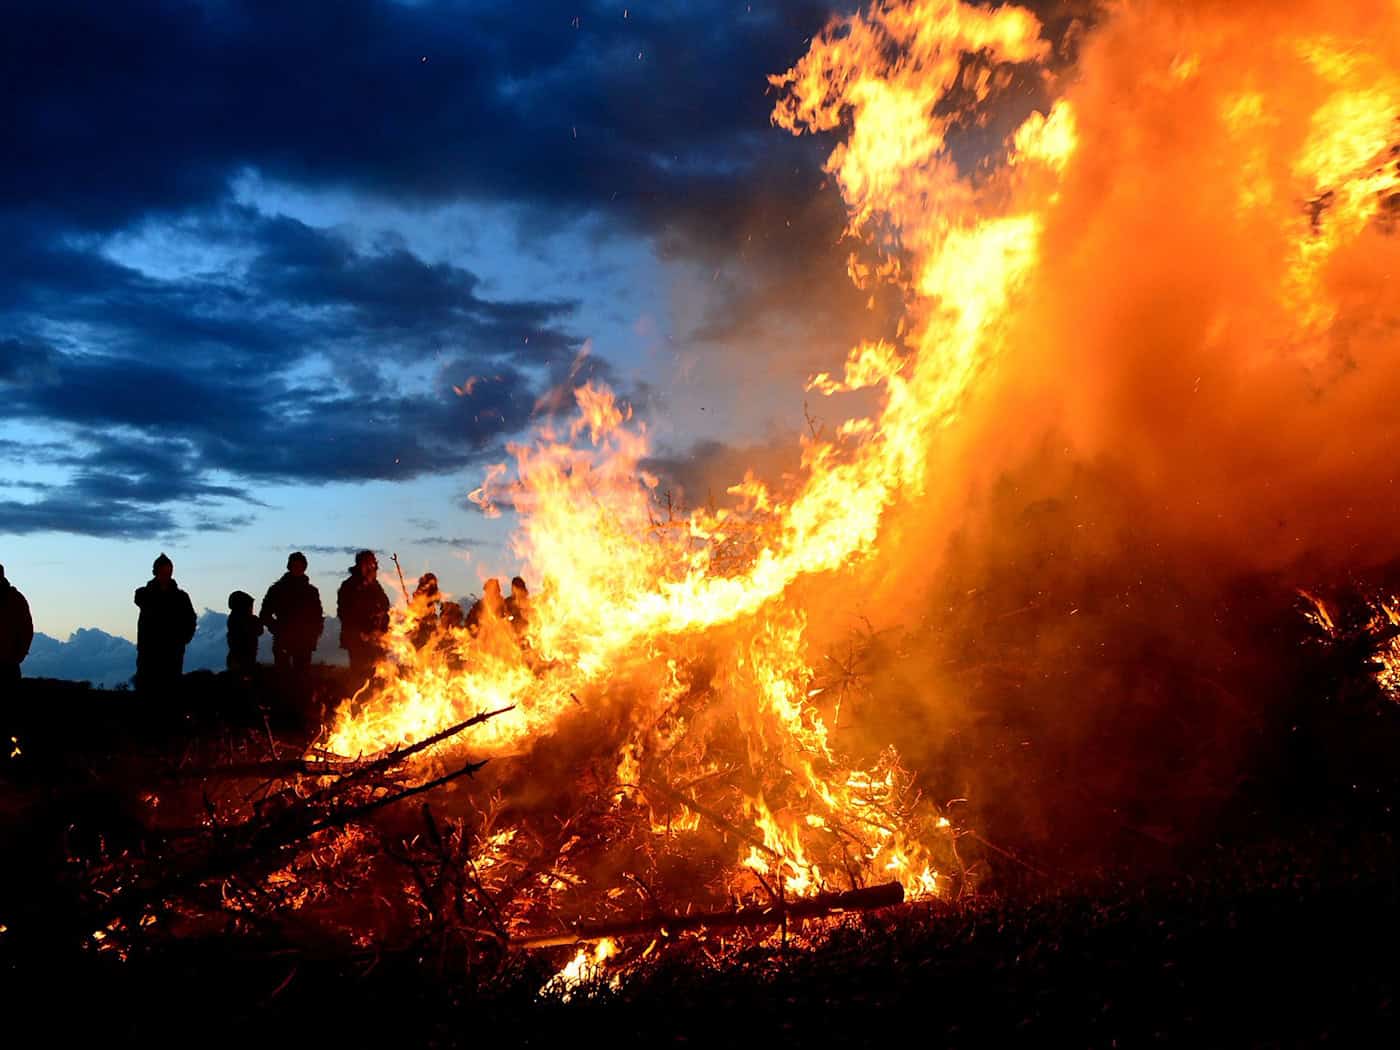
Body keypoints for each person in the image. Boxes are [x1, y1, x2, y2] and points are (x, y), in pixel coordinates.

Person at [134, 553, 197, 695]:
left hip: (173, 654)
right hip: (149, 654)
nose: (165, 575)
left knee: (171, 693)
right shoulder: (144, 594)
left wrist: (183, 638)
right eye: (162, 572)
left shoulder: (181, 597)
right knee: (148, 692)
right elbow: (141, 599)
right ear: (155, 572)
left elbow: (191, 619)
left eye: (168, 572)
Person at [260, 551, 324, 676]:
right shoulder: (277, 590)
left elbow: (317, 617)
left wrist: (313, 636)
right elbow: (265, 614)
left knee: (301, 679)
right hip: (283, 641)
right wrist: (278, 629)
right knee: (283, 679)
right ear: (289, 567)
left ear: (304, 568)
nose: (297, 568)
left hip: (304, 643)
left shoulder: (311, 592)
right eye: (294, 565)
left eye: (300, 566)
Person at [337, 550, 390, 678]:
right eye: (366, 564)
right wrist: (360, 633)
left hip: (376, 638)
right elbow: (344, 612)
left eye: (372, 564)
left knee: (377, 674)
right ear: (359, 565)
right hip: (358, 639)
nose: (370, 567)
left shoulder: (375, 586)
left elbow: (385, 605)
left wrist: (382, 627)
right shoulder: (349, 586)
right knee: (359, 674)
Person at [0, 564, 34, 686]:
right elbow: (27, 630)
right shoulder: (17, 599)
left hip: (9, 666)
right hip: (11, 665)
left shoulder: (16, 600)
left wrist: (16, 657)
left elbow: (26, 631)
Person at [226, 591, 262, 677]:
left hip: (240, 659)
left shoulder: (234, 619)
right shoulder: (242, 620)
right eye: (250, 606)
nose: (252, 609)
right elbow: (258, 631)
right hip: (241, 660)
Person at [409, 572, 441, 649]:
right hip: (420, 621)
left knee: (425, 645)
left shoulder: (431, 593)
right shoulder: (421, 591)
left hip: (426, 621)